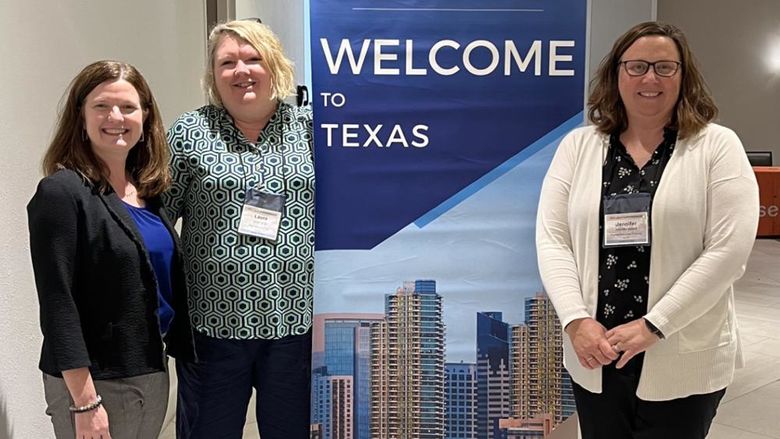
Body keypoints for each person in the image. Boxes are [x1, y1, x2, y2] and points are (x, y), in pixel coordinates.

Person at [536, 22, 759, 439]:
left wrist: (654, 324)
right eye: (636, 66)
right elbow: (552, 239)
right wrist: (575, 321)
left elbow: (729, 250)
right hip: (596, 348)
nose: (649, 78)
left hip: (679, 345)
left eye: (664, 67)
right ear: (616, 74)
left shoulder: (717, 146)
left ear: (684, 76)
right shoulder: (578, 147)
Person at [27, 61, 195, 439]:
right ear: (80, 117)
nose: (115, 117)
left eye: (128, 107)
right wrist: (85, 401)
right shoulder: (62, 193)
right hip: (96, 383)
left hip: (149, 369)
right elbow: (58, 303)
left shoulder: (147, 195)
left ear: (146, 117)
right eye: (101, 106)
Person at [164, 20, 313, 439]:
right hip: (211, 330)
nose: (241, 71)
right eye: (227, 62)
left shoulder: (311, 130)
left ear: (275, 65)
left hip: (294, 327)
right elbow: (158, 220)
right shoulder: (189, 134)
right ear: (213, 75)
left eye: (252, 59)